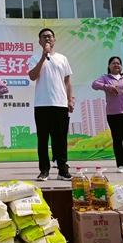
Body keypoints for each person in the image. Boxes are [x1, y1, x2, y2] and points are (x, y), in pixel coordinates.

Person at [28, 28, 74, 182]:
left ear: (54, 40)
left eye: (49, 36)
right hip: (42, 104)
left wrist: (69, 100)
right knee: (42, 139)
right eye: (43, 37)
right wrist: (43, 58)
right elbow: (33, 76)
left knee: (60, 139)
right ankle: (44, 170)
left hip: (60, 103)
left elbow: (67, 81)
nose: (47, 39)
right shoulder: (34, 58)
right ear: (40, 41)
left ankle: (62, 169)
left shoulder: (62, 58)